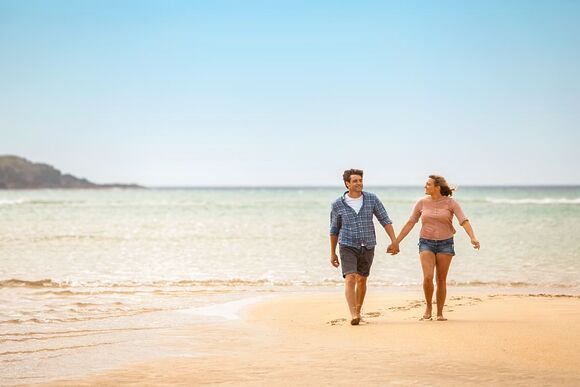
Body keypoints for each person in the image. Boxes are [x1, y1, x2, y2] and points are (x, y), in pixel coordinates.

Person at [393, 175, 480, 321]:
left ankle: (440, 312)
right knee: (428, 277)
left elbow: (463, 221)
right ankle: (428, 307)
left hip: (446, 243)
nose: (425, 187)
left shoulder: (451, 203)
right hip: (426, 242)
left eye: (428, 184)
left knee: (440, 279)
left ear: (437, 187)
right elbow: (410, 222)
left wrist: (473, 237)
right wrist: (396, 242)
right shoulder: (421, 202)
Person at [329, 169, 399, 325]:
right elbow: (334, 230)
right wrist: (332, 253)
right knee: (350, 278)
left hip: (368, 244)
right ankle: (353, 314)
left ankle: (359, 311)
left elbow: (385, 220)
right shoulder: (337, 204)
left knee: (362, 280)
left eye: (360, 180)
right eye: (355, 181)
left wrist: (394, 241)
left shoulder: (372, 199)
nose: (359, 183)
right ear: (347, 183)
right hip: (347, 244)